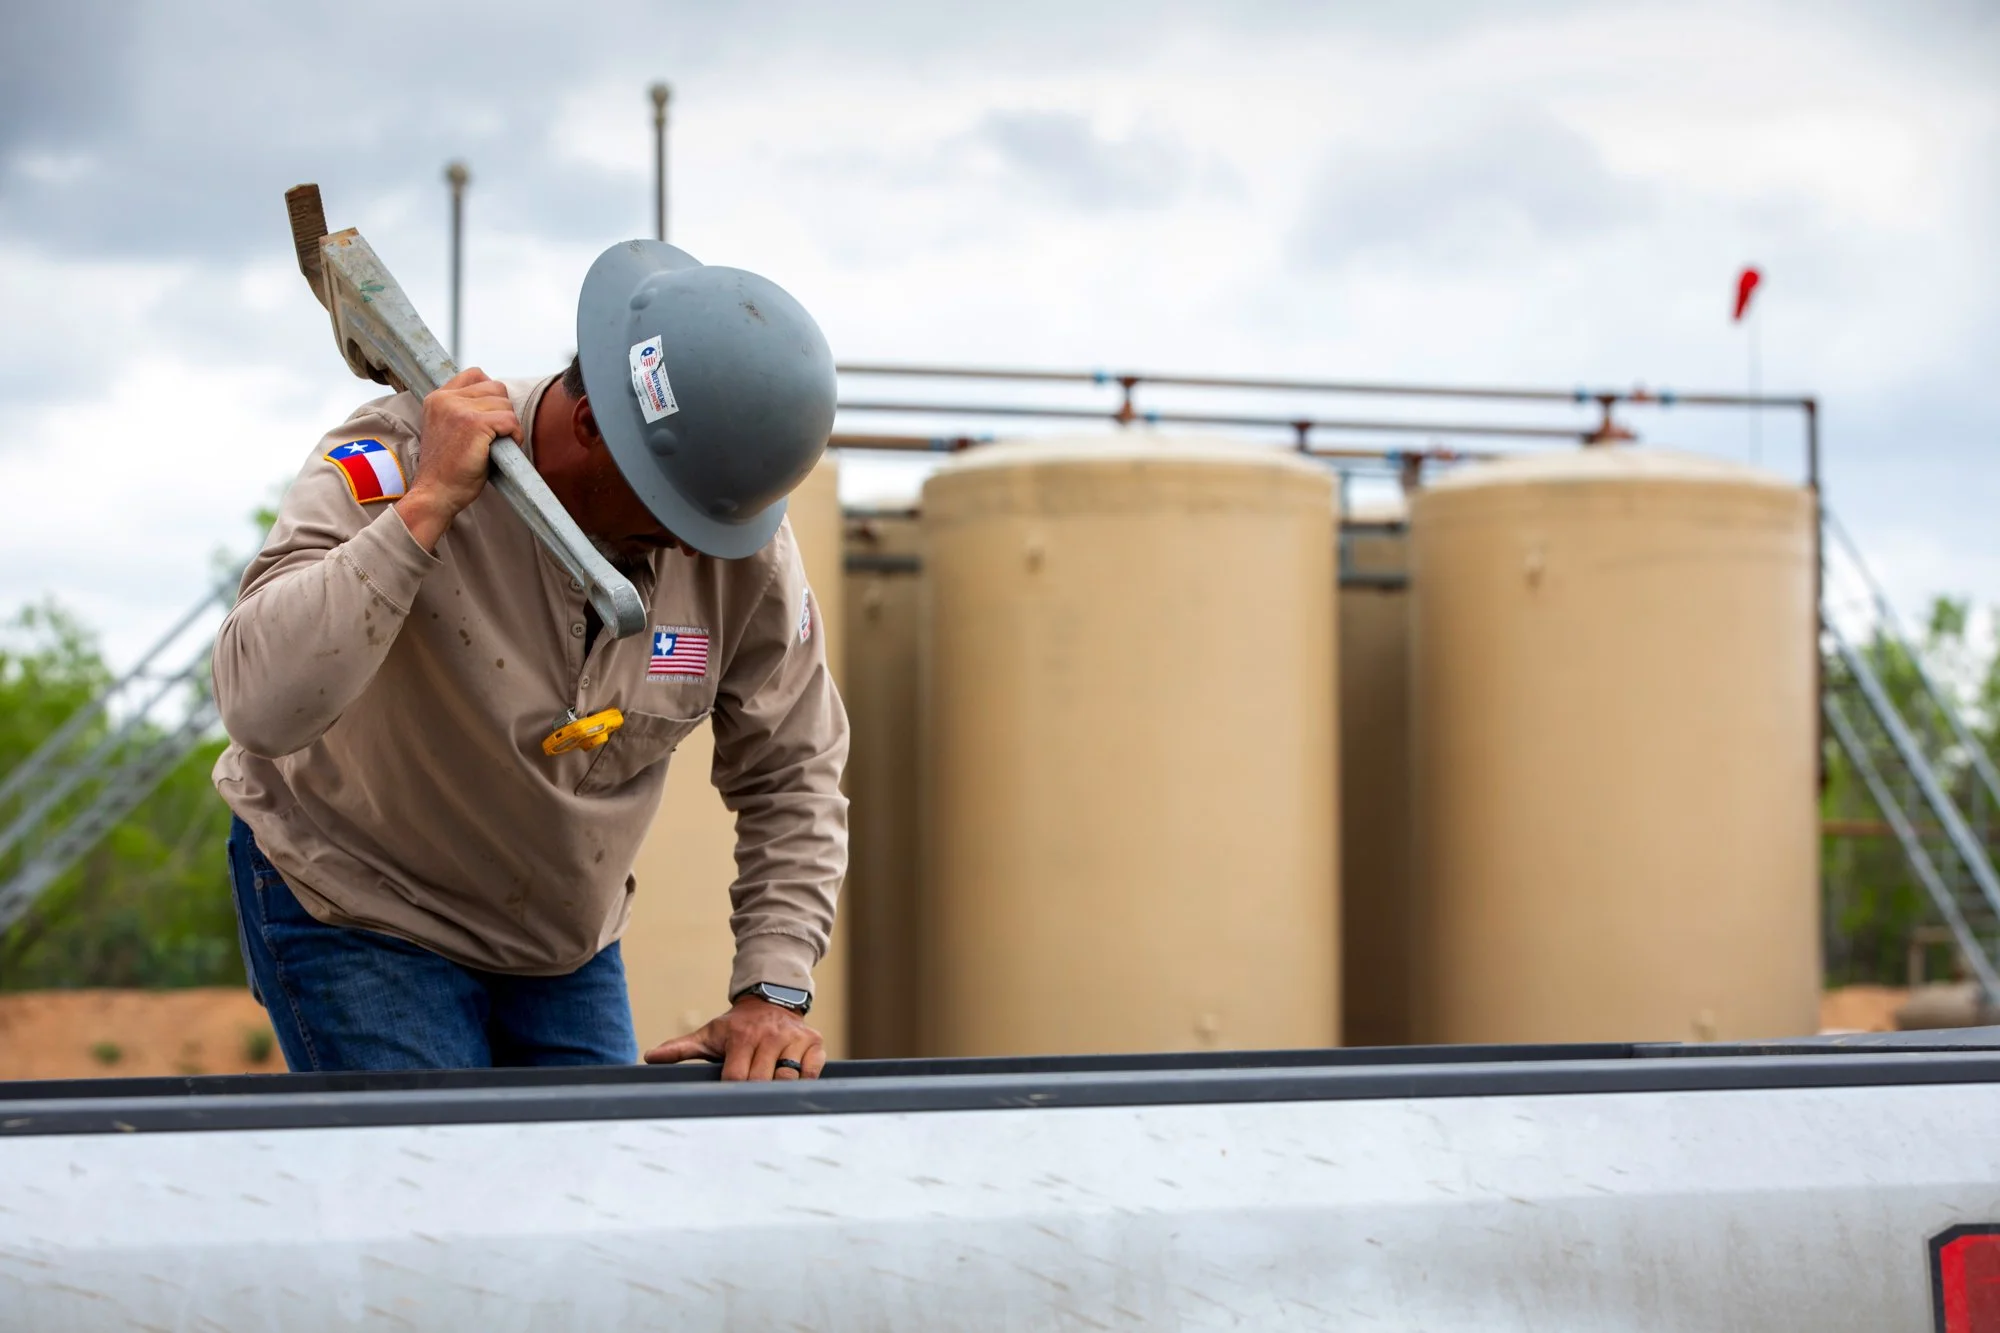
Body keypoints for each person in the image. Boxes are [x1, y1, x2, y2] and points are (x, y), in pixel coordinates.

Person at [212, 241, 847, 1081]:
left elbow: (795, 768)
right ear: (590, 426)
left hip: (558, 946)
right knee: (432, 1194)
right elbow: (259, 706)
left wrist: (773, 988)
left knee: (586, 1202)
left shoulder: (731, 531)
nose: (697, 547)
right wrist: (425, 509)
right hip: (361, 904)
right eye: (671, 512)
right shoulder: (396, 458)